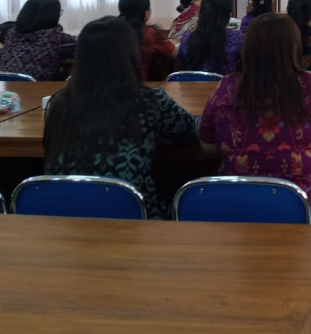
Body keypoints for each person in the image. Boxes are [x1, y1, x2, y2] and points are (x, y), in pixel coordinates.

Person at [199, 13, 311, 224]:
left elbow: (208, 145)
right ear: (294, 47)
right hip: (305, 210)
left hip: (237, 209)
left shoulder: (227, 88)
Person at [43, 16, 198, 219]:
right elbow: (191, 131)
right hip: (136, 220)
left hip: (62, 218)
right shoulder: (149, 100)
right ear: (130, 54)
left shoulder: (59, 103)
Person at [0, 0, 76, 81]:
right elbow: (85, 46)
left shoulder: (11, 33)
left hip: (7, 92)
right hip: (38, 92)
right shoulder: (57, 38)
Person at [177, 0, 243, 75]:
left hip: (194, 87)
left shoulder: (187, 38)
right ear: (227, 15)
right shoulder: (237, 38)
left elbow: (181, 64)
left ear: (201, 12)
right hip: (225, 87)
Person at [118, 0, 177, 81]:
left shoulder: (112, 30)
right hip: (141, 88)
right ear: (145, 12)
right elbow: (175, 53)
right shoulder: (150, 34)